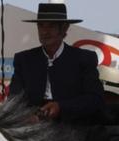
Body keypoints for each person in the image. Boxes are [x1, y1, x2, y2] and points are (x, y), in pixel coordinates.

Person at [8, 3, 104, 132]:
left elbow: (95, 99)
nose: (44, 31)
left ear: (64, 28)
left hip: (75, 129)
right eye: (41, 26)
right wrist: (28, 116)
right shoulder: (24, 59)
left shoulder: (83, 58)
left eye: (51, 26)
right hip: (33, 130)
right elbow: (14, 98)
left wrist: (61, 107)